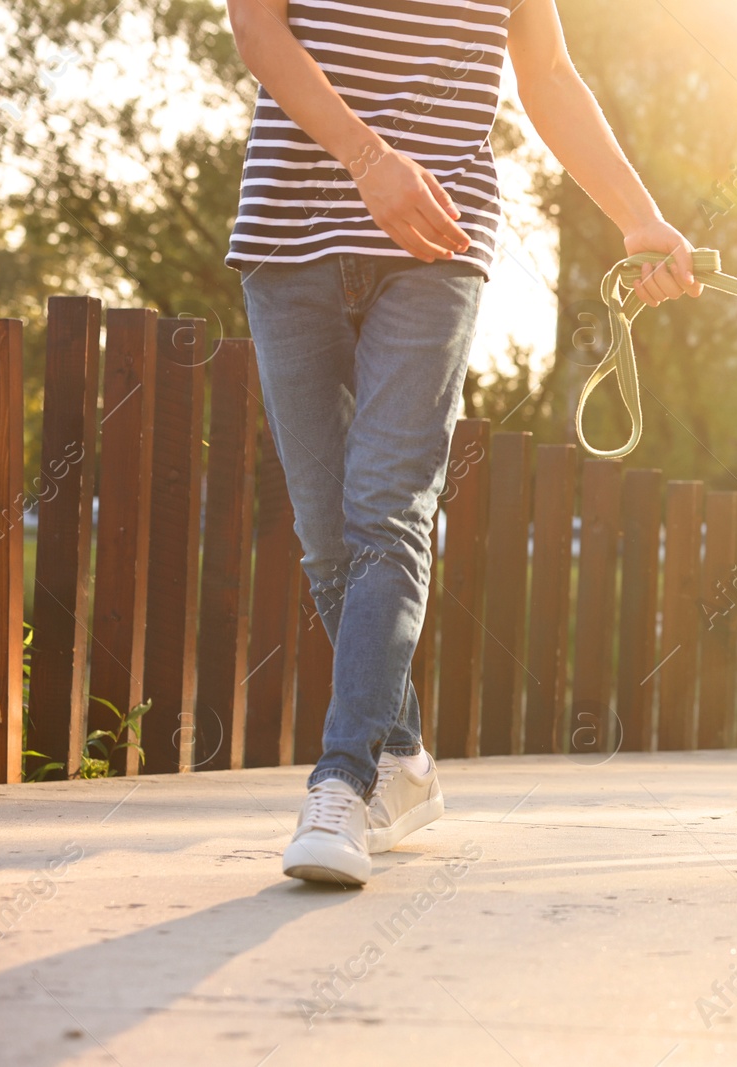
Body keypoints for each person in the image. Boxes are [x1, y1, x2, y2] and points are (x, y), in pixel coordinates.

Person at [225, 0, 699, 886]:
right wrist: (368, 160)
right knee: (329, 536)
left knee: (387, 508)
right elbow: (256, 29)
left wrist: (638, 216)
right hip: (289, 236)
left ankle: (344, 781)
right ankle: (400, 755)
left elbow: (549, 75)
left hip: (438, 249)